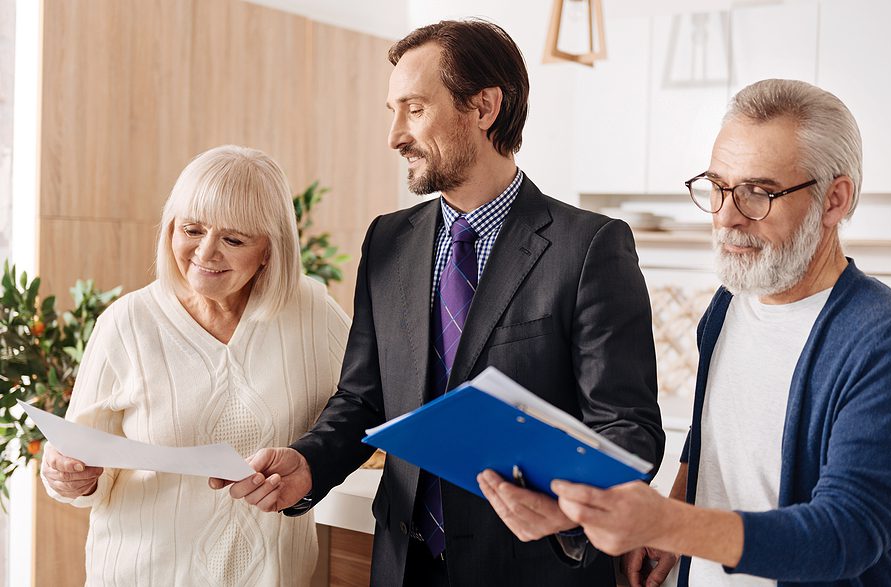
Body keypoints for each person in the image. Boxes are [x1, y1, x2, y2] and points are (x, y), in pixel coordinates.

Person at [212, 18, 664, 587]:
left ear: (483, 108)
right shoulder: (387, 241)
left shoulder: (589, 246)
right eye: (392, 111)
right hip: (404, 565)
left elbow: (627, 429)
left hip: (535, 569)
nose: (395, 135)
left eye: (415, 109)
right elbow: (362, 397)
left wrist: (571, 514)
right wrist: (307, 464)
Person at [552, 79, 891, 587]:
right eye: (718, 187)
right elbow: (713, 435)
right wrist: (672, 516)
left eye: (759, 193)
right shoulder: (729, 304)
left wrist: (668, 521)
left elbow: (845, 534)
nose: (727, 217)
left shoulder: (879, 340)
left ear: (834, 200)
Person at [40, 145, 350, 586]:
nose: (205, 252)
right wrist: (69, 478)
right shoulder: (127, 324)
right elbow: (79, 469)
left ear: (268, 250)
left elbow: (369, 403)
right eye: (191, 229)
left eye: (233, 239)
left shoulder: (314, 315)